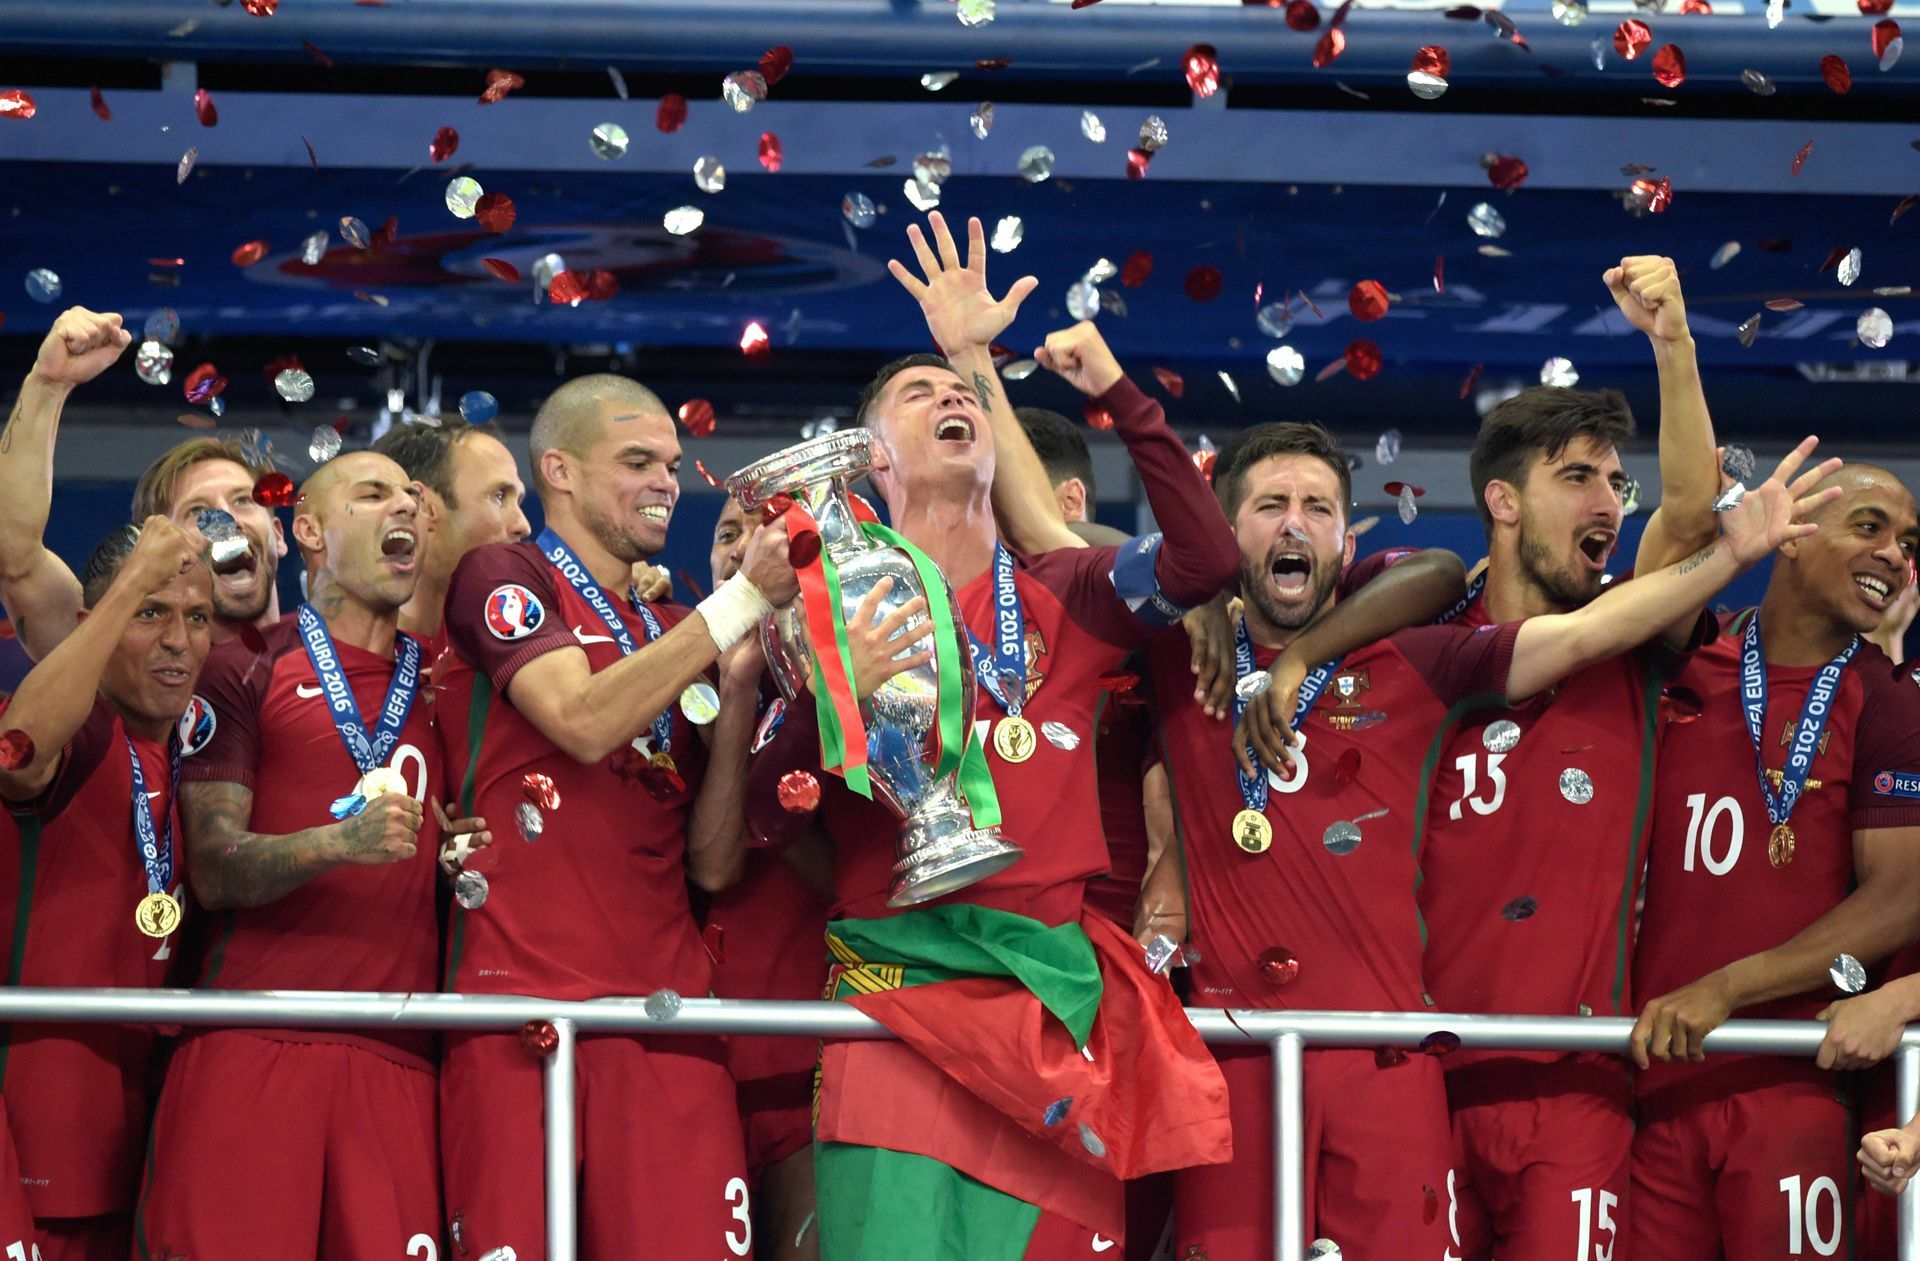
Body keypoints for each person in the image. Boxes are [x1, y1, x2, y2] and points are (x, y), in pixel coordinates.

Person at [1183, 424, 1838, 1260]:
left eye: (1316, 506)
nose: (1293, 523)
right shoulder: (1185, 653)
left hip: (1467, 1066)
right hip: (1283, 1050)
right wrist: (1196, 590)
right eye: (1270, 505)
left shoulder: (1419, 655)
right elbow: (1072, 549)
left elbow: (1545, 611)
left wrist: (1729, 554)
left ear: (1347, 543)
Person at [746, 211, 1240, 1260]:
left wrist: (1117, 391)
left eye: (963, 391)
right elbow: (762, 819)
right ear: (870, 458)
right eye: (920, 394)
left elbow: (1204, 560)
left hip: (1050, 1015)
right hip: (899, 1014)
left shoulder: (1069, 593)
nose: (951, 399)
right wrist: (823, 711)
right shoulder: (824, 610)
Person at [433, 373, 799, 1260]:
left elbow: (714, 863)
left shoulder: (674, 623)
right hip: (518, 1011)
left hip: (667, 1019)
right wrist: (736, 605)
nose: (665, 482)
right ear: (558, 470)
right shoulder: (504, 575)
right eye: (637, 461)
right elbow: (582, 719)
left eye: (671, 464)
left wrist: (737, 692)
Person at [1412, 256, 1722, 1260]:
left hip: (1574, 1081)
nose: (1610, 502)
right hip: (1411, 1075)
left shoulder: (1630, 638)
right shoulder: (1419, 652)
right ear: (1504, 502)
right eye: (1578, 476)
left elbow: (1691, 513)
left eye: (1615, 481)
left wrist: (1672, 342)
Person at [137, 451, 451, 1261]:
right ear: (307, 530)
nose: (402, 508)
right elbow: (214, 864)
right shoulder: (242, 666)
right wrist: (339, 843)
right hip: (253, 1041)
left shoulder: (448, 681)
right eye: (372, 494)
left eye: (410, 496)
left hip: (401, 1054)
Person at [1629, 463, 1920, 1261]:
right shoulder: (1685, 661)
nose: (1896, 556)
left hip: (1795, 1083)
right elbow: (1662, 545)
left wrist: (1725, 988)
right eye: (1870, 527)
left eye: (1908, 543)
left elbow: (1900, 900)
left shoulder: (1889, 700)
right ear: (1792, 536)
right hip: (1651, 1082)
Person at [0, 519, 210, 1261]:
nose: (178, 641)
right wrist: (130, 583)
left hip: (139, 1160)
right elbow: (19, 753)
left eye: (198, 618)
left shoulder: (194, 762)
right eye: (152, 612)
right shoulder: (83, 733)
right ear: (100, 620)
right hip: (31, 1152)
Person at [701, 495, 838, 1261]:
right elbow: (711, 864)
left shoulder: (854, 691)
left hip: (809, 1062)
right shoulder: (669, 677)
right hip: (690, 1060)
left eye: (773, 538)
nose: (745, 552)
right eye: (729, 535)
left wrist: (776, 759)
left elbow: (847, 877)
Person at [0, 308, 285, 663]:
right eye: (198, 511)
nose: (226, 520)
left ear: (279, 535)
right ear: (156, 547)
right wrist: (48, 384)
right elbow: (15, 557)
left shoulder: (338, 652)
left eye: (242, 500)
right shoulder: (122, 664)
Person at [370, 417, 532, 657]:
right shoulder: (331, 667)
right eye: (499, 497)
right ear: (420, 506)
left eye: (518, 502)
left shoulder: (529, 664)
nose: (524, 526)